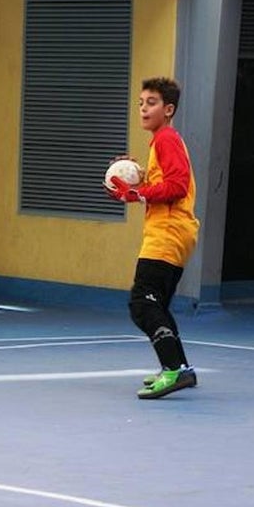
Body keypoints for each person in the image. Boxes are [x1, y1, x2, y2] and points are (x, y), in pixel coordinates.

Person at [105, 77, 200, 399]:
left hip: (167, 233)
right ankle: (180, 368)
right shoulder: (162, 141)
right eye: (141, 103)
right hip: (175, 232)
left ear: (168, 109)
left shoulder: (166, 139)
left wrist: (137, 193)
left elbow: (177, 186)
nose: (144, 108)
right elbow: (166, 181)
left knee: (142, 303)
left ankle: (173, 370)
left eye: (152, 103)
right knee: (156, 304)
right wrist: (138, 181)